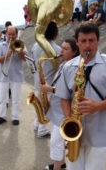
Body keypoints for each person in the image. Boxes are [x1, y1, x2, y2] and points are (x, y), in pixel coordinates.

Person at [56, 23, 106, 170]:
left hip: (100, 131)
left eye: (91, 40)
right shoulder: (68, 67)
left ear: (98, 40)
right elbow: (63, 97)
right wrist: (70, 121)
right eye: (83, 41)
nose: (88, 45)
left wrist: (97, 106)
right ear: (77, 42)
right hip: (75, 133)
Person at [41, 38, 79, 170]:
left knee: (55, 142)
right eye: (61, 47)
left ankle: (57, 166)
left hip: (64, 111)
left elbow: (72, 92)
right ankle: (60, 162)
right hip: (57, 109)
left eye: (65, 49)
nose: (61, 51)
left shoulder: (74, 68)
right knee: (58, 142)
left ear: (74, 52)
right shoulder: (64, 64)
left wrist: (49, 89)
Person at [31, 22, 60, 137]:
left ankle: (37, 125)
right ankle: (42, 129)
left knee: (39, 104)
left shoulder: (35, 45)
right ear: (55, 34)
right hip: (49, 82)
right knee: (46, 107)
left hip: (37, 79)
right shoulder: (57, 49)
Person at [0, 26, 27, 126]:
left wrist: (19, 50)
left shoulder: (21, 44)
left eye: (13, 34)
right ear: (6, 34)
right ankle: (2, 116)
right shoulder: (1, 45)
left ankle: (15, 117)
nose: (11, 36)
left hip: (16, 76)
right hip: (4, 76)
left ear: (16, 35)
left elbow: (25, 59)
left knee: (16, 99)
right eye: (9, 34)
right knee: (2, 98)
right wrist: (8, 54)